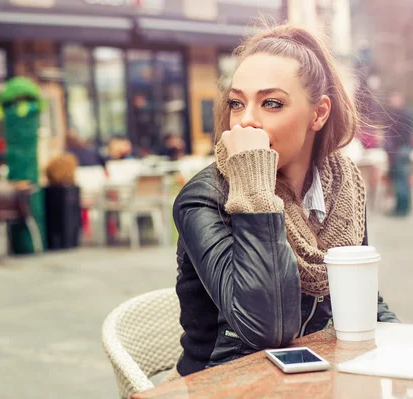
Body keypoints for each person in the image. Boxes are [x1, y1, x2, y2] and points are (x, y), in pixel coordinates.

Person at [169, 23, 399, 380]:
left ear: (319, 113)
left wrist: (410, 349)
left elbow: (364, 298)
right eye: (236, 103)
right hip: (223, 382)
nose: (246, 120)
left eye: (271, 103)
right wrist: (255, 189)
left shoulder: (343, 186)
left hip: (314, 379)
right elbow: (268, 329)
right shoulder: (204, 197)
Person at [383, 91, 413, 216]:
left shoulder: (400, 115)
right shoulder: (406, 113)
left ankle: (401, 208)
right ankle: (403, 206)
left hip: (400, 150)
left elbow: (397, 135)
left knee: (400, 179)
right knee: (402, 178)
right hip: (404, 149)